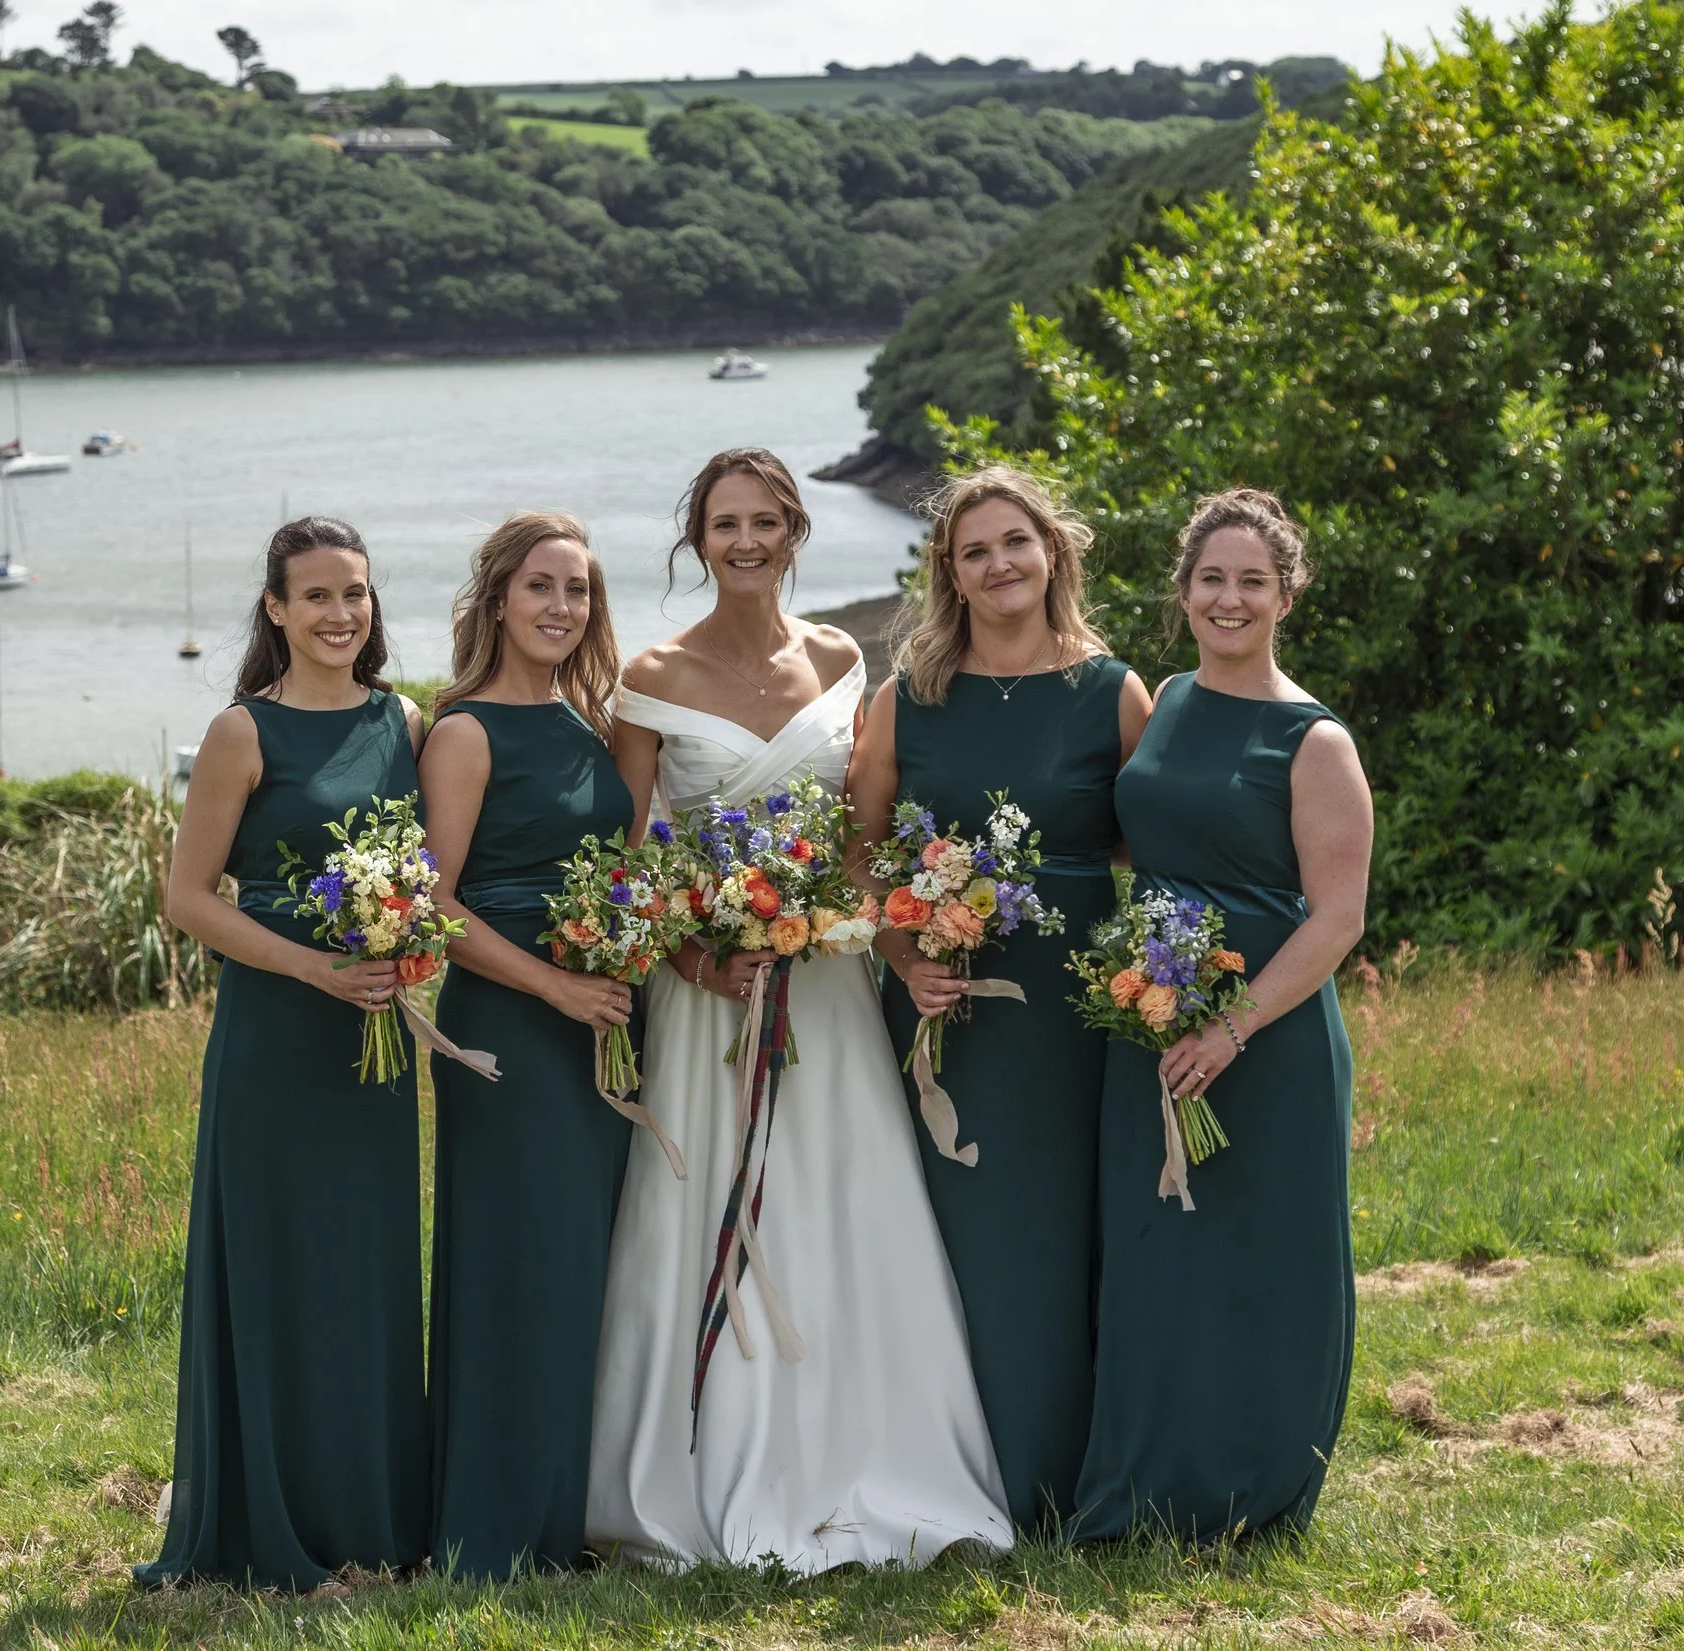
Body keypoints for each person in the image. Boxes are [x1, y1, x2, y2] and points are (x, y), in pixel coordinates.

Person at [585, 447, 1013, 1573]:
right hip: (708, 999)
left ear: (793, 532)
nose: (746, 541)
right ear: (697, 539)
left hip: (824, 984)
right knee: (706, 1208)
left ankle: (865, 1454)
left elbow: (859, 843)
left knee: (843, 1199)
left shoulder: (838, 656)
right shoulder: (650, 674)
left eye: (765, 521)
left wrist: (868, 928)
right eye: (725, 523)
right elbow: (623, 861)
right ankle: (703, 1462)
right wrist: (694, 954)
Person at [845, 465, 1151, 1536]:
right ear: (950, 572)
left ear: (1052, 550)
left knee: (1072, 1223)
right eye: (973, 550)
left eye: (1015, 540)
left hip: (1077, 1009)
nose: (998, 563)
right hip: (946, 1007)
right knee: (959, 1226)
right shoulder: (907, 697)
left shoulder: (1114, 690)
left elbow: (1152, 839)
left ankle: (1070, 1470)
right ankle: (962, 1471)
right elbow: (860, 850)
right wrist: (901, 949)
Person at [1072, 488, 1373, 1545]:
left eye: (1253, 580)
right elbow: (1146, 835)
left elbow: (1338, 917)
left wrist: (1231, 1027)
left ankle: (1254, 1483)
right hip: (1151, 1019)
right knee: (1158, 1248)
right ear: (1184, 589)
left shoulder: (1314, 738)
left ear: (1287, 595)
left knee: (1258, 1253)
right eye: (1211, 578)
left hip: (1264, 1036)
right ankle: (1149, 1481)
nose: (1229, 598)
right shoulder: (1165, 700)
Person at [137, 518, 428, 1589]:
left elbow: (427, 873)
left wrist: (409, 947)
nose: (339, 614)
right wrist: (312, 968)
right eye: (315, 596)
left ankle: (374, 1516)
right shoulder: (241, 731)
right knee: (277, 1266)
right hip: (274, 1034)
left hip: (374, 1038)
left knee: (367, 1266)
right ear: (275, 607)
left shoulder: (405, 719)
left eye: (354, 592)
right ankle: (268, 1516)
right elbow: (187, 899)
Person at [417, 512, 637, 1579]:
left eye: (577, 589)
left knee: (581, 1267)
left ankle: (567, 1510)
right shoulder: (464, 732)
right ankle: (495, 1523)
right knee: (518, 1265)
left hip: (599, 1018)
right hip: (508, 1029)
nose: (561, 606)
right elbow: (435, 905)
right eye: (541, 586)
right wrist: (555, 984)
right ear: (498, 598)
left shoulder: (589, 723)